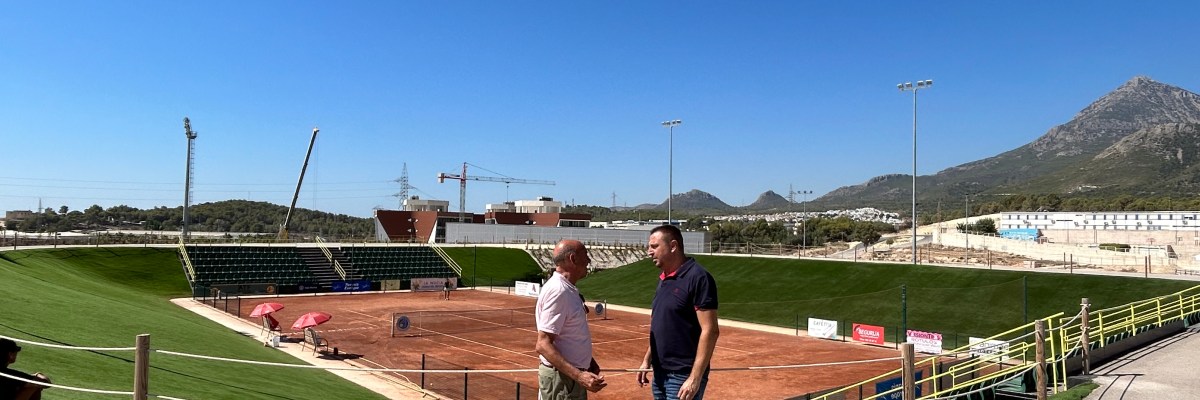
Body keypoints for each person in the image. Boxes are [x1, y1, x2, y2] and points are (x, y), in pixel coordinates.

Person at [636, 225, 719, 400]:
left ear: (673, 246)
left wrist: (694, 378)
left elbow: (710, 330)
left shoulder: (698, 278)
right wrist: (647, 360)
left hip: (682, 376)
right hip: (660, 374)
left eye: (654, 246)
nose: (649, 252)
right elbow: (661, 326)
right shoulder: (664, 279)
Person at [535, 240, 606, 399]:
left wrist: (588, 361)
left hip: (567, 378)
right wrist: (579, 376)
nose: (589, 260)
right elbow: (543, 344)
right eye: (585, 255)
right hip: (563, 380)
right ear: (573, 259)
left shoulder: (567, 289)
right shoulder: (559, 291)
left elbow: (567, 336)